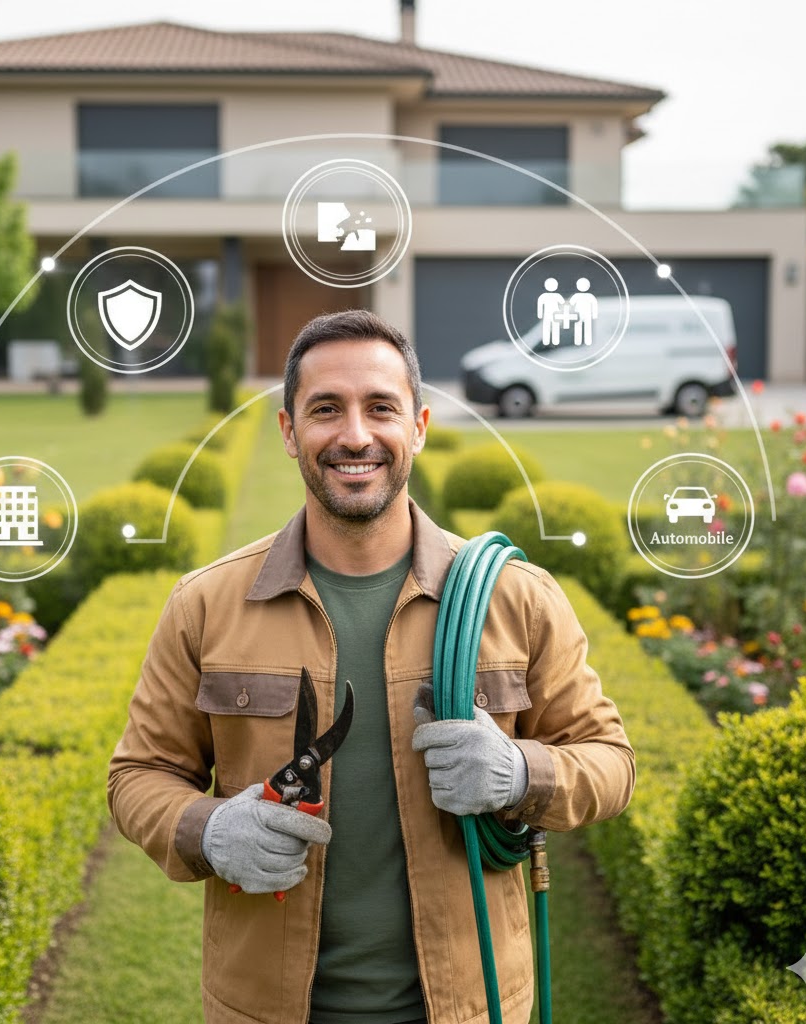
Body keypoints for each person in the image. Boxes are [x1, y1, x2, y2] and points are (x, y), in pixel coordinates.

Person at [107, 309, 635, 1024]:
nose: (355, 435)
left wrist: (520, 772)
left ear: (417, 425)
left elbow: (610, 762)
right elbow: (138, 774)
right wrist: (207, 829)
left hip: (470, 1007)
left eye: (380, 408)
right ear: (290, 432)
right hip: (264, 1010)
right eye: (326, 409)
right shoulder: (205, 604)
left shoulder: (516, 598)